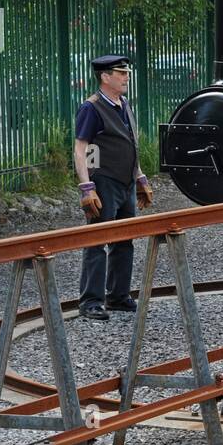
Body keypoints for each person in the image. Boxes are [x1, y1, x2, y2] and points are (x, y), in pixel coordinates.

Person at [74, 55, 155, 321]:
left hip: (126, 181)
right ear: (104, 77)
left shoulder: (124, 104)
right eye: (120, 73)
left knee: (124, 239)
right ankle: (91, 302)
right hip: (104, 182)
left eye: (125, 72)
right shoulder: (92, 107)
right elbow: (80, 148)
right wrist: (87, 187)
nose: (126, 76)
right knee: (97, 240)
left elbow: (131, 144)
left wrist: (140, 178)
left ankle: (118, 296)